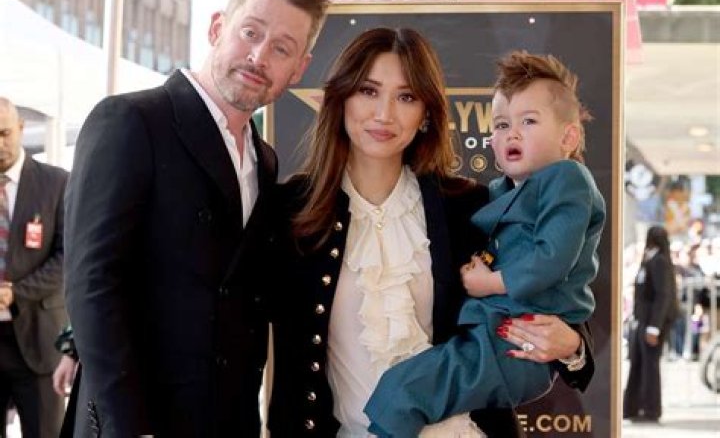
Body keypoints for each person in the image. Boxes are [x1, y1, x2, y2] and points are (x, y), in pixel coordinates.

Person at [268, 30, 596, 438]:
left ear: (426, 113)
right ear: (341, 99)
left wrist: (573, 348)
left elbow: (551, 282)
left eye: (406, 97)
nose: (384, 114)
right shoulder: (290, 209)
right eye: (368, 91)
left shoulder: (468, 206)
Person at [63, 0, 329, 437]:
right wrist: (131, 428)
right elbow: (92, 284)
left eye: (281, 48)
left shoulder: (265, 161)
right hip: (136, 422)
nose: (259, 56)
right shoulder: (130, 121)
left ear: (298, 68)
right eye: (250, 32)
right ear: (216, 28)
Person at [365, 51, 606, 437]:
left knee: (406, 390)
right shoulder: (499, 191)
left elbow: (553, 259)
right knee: (404, 388)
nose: (512, 133)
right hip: (488, 337)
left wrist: (492, 283)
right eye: (502, 124)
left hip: (511, 343)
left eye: (529, 121)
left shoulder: (566, 179)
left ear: (568, 137)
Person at [0, 97, 68, 438]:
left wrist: (15, 292)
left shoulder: (56, 183)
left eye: (4, 133)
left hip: (38, 341)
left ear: (21, 128)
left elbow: (68, 256)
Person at [623, 225, 678, 423]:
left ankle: (651, 409)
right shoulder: (649, 260)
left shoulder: (660, 261)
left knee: (650, 366)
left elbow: (663, 296)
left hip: (652, 324)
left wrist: (654, 327)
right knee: (638, 364)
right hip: (642, 321)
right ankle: (633, 407)